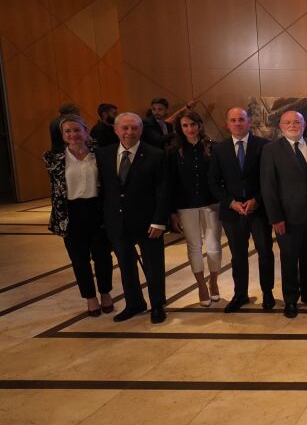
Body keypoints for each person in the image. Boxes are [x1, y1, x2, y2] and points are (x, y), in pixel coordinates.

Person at [96, 112, 169, 323]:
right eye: (125, 128)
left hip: (148, 222)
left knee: (154, 266)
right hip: (117, 222)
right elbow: (104, 189)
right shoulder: (103, 154)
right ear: (116, 130)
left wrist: (159, 221)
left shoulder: (156, 155)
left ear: (141, 130)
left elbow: (163, 191)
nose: (130, 132)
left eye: (134, 128)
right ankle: (134, 303)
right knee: (126, 266)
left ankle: (157, 305)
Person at [43, 115, 114, 317]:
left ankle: (105, 292)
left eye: (77, 130)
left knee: (102, 257)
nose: (73, 134)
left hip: (97, 211)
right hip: (70, 214)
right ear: (62, 135)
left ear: (86, 131)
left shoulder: (100, 154)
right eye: (67, 131)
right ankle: (90, 297)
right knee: (79, 259)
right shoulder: (53, 158)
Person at [208, 107, 276, 313]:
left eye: (241, 119)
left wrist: (257, 200)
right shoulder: (219, 149)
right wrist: (231, 203)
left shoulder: (264, 146)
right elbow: (213, 182)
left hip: (259, 209)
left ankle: (268, 292)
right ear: (227, 124)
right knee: (238, 256)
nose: (237, 123)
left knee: (265, 252)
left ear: (249, 122)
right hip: (233, 211)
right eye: (233, 120)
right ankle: (240, 294)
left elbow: (269, 179)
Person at [260, 110, 307, 318]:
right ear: (280, 126)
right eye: (287, 122)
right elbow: (268, 186)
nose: (292, 125)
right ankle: (290, 299)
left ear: (304, 125)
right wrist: (275, 217)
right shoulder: (271, 149)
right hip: (286, 217)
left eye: (297, 122)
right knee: (289, 259)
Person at [167, 110, 223, 307]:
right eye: (185, 125)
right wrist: (172, 212)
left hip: (211, 203)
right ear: (180, 128)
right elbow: (171, 183)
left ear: (199, 125)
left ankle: (213, 281)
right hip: (185, 205)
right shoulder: (174, 152)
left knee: (214, 246)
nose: (189, 129)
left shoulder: (213, 147)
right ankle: (201, 285)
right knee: (194, 246)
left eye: (193, 124)